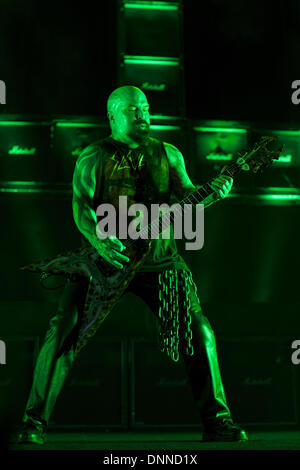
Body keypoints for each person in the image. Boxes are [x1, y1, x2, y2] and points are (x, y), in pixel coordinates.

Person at [17, 85, 247, 444]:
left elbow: (188, 194)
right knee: (62, 328)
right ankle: (33, 423)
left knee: (200, 332)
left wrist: (212, 193)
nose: (143, 114)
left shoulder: (169, 154)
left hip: (160, 262)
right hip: (106, 260)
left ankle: (218, 421)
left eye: (145, 107)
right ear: (113, 116)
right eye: (133, 109)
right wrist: (99, 240)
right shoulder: (93, 156)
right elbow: (80, 206)